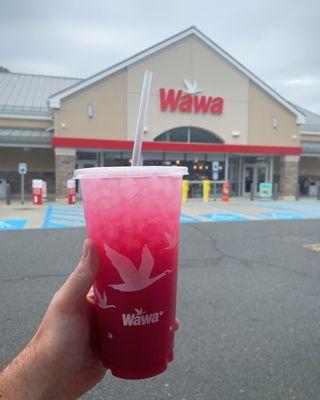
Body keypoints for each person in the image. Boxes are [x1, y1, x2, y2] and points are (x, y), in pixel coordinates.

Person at [0, 239, 179, 399]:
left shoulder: (145, 275)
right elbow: (128, 259)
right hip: (124, 288)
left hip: (127, 293)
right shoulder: (141, 275)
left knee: (147, 265)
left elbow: (148, 260)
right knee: (144, 265)